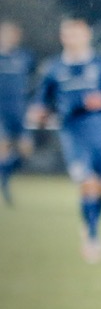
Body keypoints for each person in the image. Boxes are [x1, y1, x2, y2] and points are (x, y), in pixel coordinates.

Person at [28, 17, 101, 263]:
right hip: (73, 132)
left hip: (100, 132)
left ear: (87, 35)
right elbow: (41, 100)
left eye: (78, 34)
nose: (73, 39)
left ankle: (91, 223)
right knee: (87, 183)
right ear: (63, 37)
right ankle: (92, 238)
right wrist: (37, 111)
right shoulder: (53, 68)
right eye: (68, 34)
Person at [0, 20, 36, 205]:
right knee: (4, 148)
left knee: (25, 152)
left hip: (19, 111)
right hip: (1, 112)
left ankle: (3, 177)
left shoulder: (24, 57)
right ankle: (5, 188)